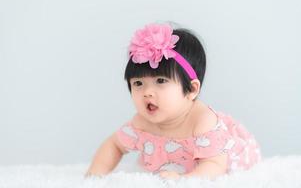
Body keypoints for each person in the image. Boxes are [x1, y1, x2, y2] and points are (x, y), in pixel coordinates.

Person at [85, 23, 261, 180]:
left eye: (161, 81)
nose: (147, 93)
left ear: (191, 89)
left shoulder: (202, 122)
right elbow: (114, 145)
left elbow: (215, 165)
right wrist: (95, 175)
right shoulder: (140, 123)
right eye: (138, 83)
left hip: (225, 160)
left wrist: (183, 180)